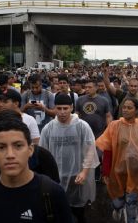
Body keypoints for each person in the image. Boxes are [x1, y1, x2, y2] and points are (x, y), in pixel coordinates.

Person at [0, 119, 73, 223]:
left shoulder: (52, 193)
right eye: (1, 147)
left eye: (18, 146)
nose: (10, 155)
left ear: (30, 149)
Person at [40, 94, 100, 223]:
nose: (62, 112)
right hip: (56, 177)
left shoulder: (82, 126)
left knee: (78, 211)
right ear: (54, 108)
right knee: (59, 211)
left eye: (65, 108)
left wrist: (84, 172)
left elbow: (90, 149)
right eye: (59, 108)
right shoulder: (48, 128)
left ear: (72, 107)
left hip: (76, 176)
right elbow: (43, 153)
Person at [95, 98, 138, 223]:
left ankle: (131, 220)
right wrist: (106, 171)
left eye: (129, 108)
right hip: (117, 173)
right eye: (124, 107)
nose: (125, 110)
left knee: (131, 203)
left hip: (135, 174)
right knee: (118, 201)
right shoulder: (114, 126)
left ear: (136, 110)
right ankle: (118, 208)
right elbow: (107, 148)